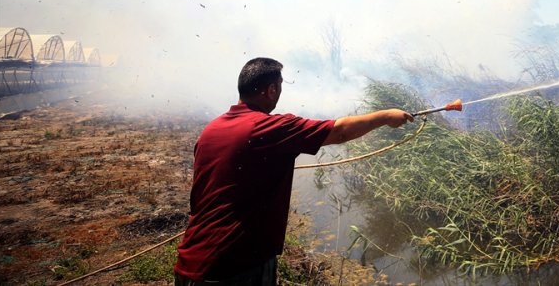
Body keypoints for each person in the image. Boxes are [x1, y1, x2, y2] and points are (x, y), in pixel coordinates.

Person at [174, 57, 413, 285]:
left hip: (190, 263)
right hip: (235, 268)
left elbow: (198, 200)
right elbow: (339, 131)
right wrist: (385, 116)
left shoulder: (211, 131)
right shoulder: (269, 127)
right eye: (279, 87)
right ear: (271, 90)